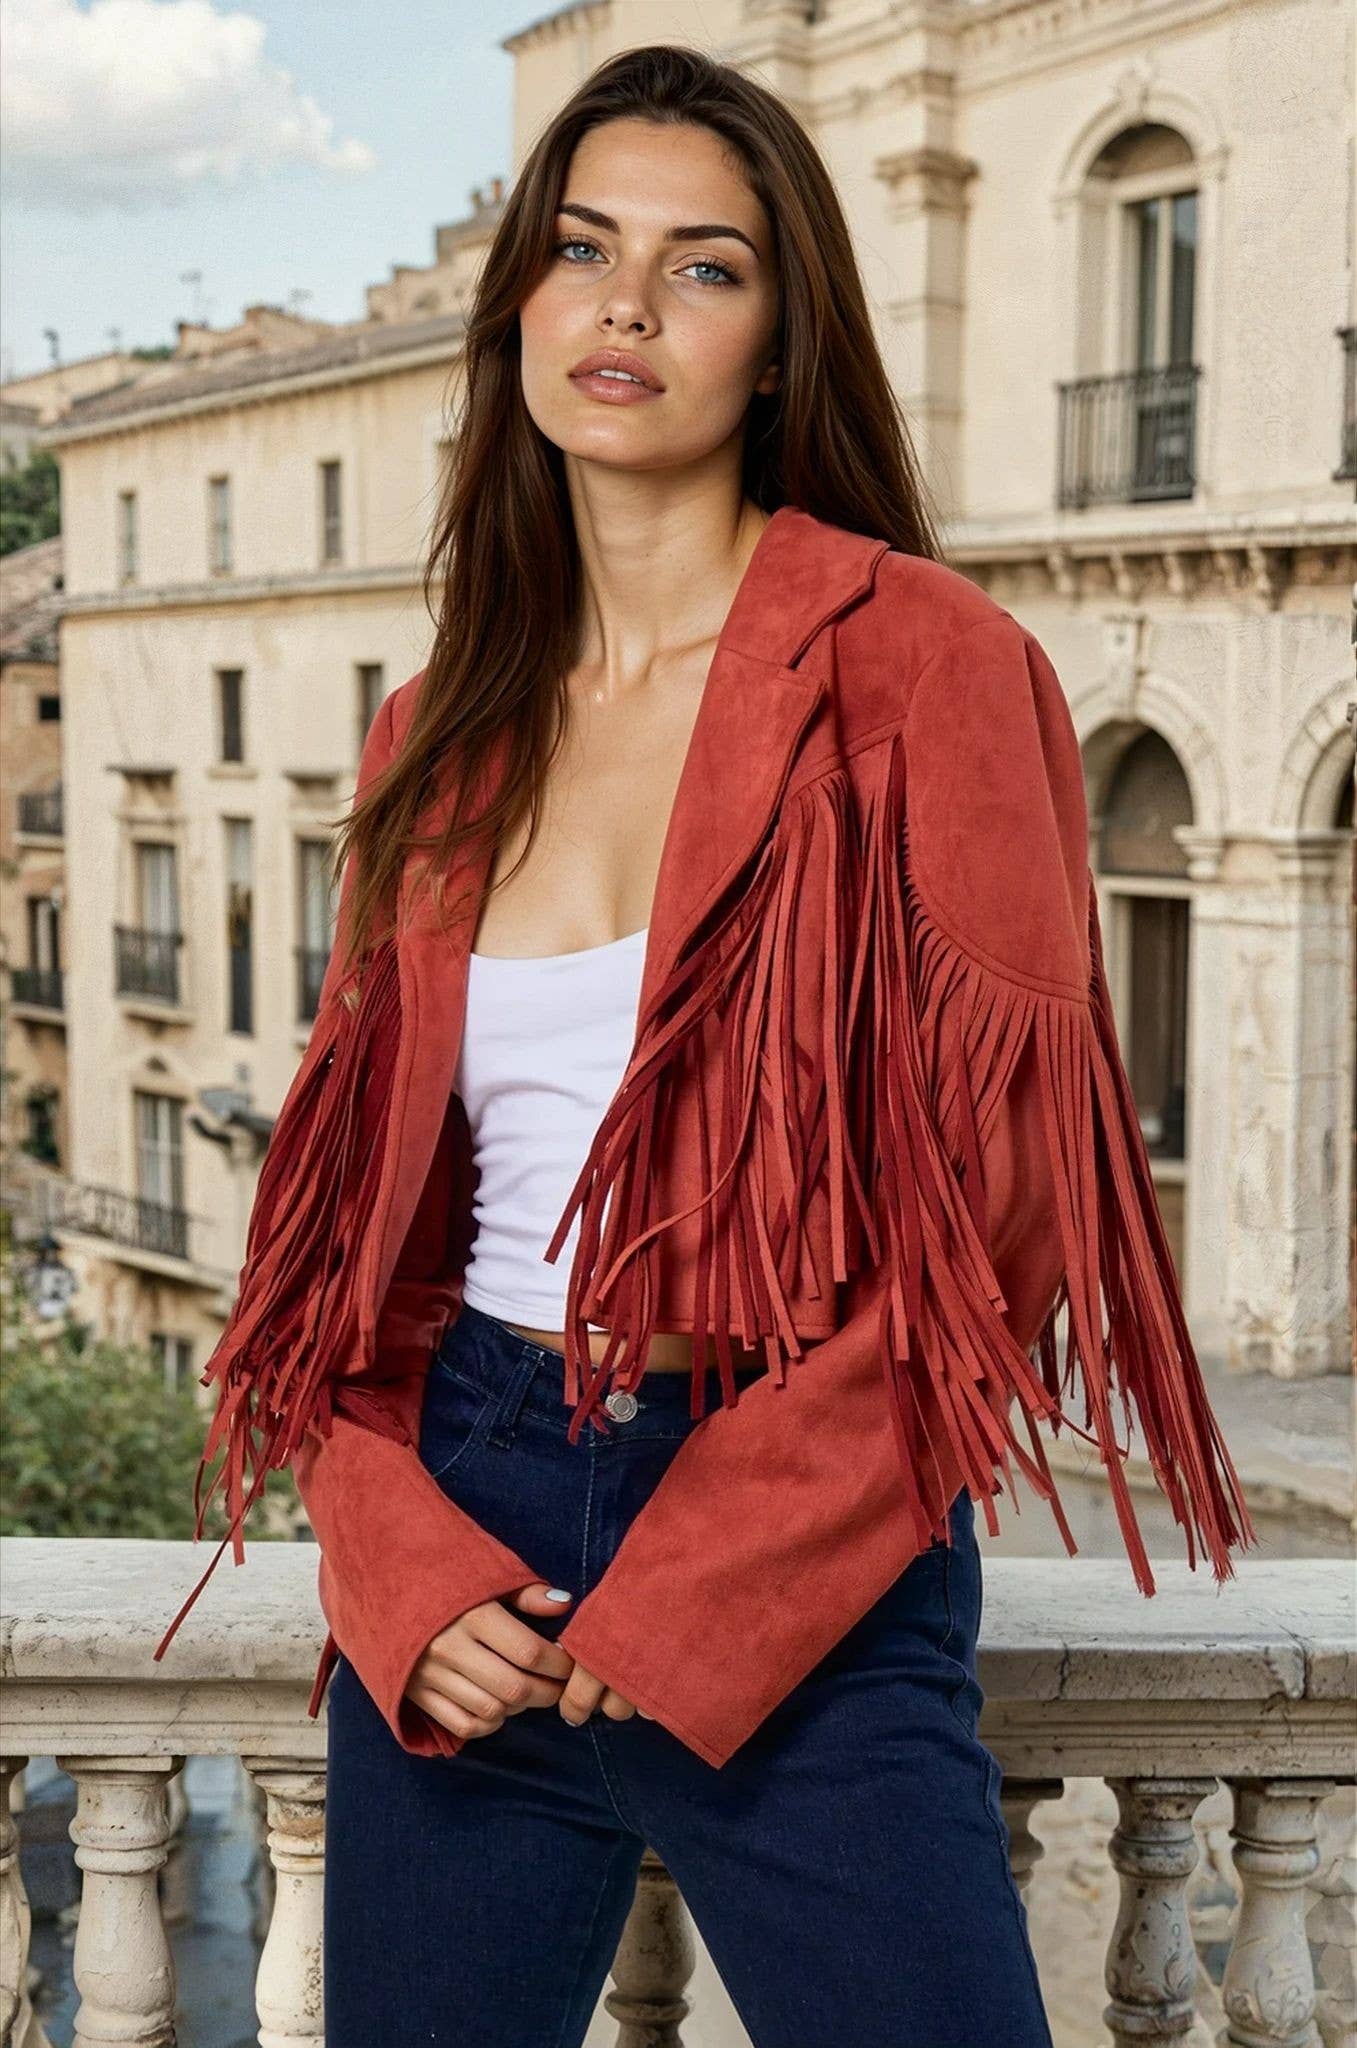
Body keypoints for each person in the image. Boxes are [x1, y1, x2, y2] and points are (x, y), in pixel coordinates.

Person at [153, 43, 1257, 2047]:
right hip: (476, 1528)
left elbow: (998, 1232)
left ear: (776, 340)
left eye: (705, 266)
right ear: (518, 310)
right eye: (582, 249)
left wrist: (704, 1578)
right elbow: (339, 1243)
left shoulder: (926, 668)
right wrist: (392, 1558)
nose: (630, 305)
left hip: (798, 1542)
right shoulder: (432, 731)